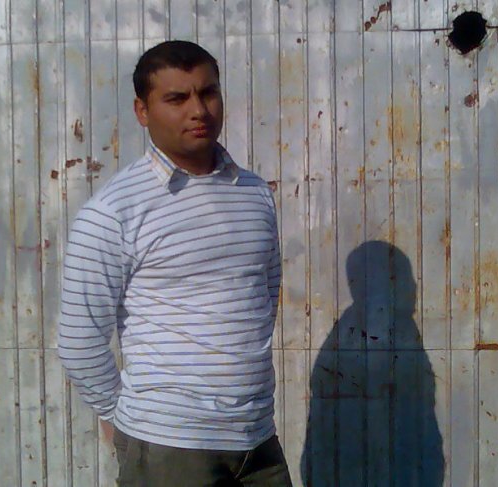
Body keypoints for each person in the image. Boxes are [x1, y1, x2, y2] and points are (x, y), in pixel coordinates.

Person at [58, 40, 292, 486]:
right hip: (169, 447)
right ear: (142, 111)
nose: (198, 110)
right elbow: (78, 341)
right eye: (176, 98)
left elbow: (263, 300)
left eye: (208, 92)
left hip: (258, 440)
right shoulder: (114, 211)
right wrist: (123, 419)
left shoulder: (254, 193)